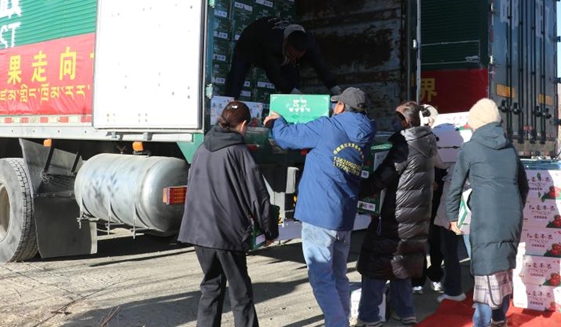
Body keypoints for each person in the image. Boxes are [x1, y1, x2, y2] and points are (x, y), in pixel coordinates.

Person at [264, 87, 376, 327]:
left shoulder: (328, 126)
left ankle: (337, 324)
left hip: (320, 212)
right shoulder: (367, 131)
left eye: (336, 104)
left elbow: (286, 138)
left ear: (341, 107)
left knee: (321, 277)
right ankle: (341, 320)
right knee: (338, 276)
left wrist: (278, 121)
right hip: (344, 214)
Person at [178, 101, 278, 327]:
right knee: (240, 291)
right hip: (226, 233)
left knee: (211, 287)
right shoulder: (239, 152)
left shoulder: (202, 148)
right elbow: (258, 196)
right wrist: (269, 229)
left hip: (198, 231)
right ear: (243, 125)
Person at [445, 98, 529, 327]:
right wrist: (514, 209)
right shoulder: (510, 147)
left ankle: (481, 323)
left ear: (477, 122)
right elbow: (524, 186)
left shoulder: (471, 148)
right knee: (502, 269)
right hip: (512, 218)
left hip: (485, 218)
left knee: (484, 270)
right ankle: (500, 319)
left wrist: (452, 217)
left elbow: (456, 185)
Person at [354, 101, 437, 327]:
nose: (395, 122)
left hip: (396, 214)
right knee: (404, 263)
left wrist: (356, 188)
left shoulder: (405, 144)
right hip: (418, 214)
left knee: (376, 263)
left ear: (407, 121)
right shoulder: (429, 141)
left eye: (397, 118)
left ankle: (369, 316)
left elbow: (384, 175)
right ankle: (406, 312)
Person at [225, 16, 342, 98]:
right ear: (286, 43)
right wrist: (293, 92)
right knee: (236, 77)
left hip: (279, 50)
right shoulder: (271, 45)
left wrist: (336, 90)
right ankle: (228, 109)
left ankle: (291, 119)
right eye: (291, 54)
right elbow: (274, 76)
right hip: (249, 43)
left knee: (293, 77)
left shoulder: (309, 42)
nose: (293, 58)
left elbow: (321, 66)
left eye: (297, 56)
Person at [411, 105, 446, 295]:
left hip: (436, 197)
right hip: (419, 197)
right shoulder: (413, 138)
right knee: (419, 240)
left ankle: (435, 275)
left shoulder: (442, 137)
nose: (430, 122)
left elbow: (443, 164)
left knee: (435, 239)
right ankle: (418, 278)